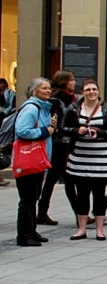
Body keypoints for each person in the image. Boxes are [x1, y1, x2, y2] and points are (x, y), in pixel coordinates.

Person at [61, 78, 107, 241]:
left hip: (101, 158)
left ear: (98, 91)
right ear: (83, 92)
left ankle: (99, 230)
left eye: (94, 89)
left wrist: (100, 132)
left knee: (99, 194)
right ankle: (82, 229)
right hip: (79, 158)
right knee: (82, 194)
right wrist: (76, 130)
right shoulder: (73, 108)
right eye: (88, 90)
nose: (91, 92)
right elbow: (63, 127)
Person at [14, 78, 56, 247]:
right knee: (27, 199)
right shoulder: (31, 108)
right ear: (34, 91)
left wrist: (51, 127)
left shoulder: (43, 108)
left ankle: (31, 230)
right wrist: (46, 130)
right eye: (44, 88)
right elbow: (23, 131)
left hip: (38, 160)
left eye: (49, 88)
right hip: (28, 160)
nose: (48, 90)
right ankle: (24, 235)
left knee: (33, 197)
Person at [38, 70, 78, 225]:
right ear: (64, 82)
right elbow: (58, 124)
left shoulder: (71, 99)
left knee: (58, 180)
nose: (74, 82)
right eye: (71, 80)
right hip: (60, 145)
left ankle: (42, 212)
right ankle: (79, 214)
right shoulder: (57, 100)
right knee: (65, 179)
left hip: (66, 144)